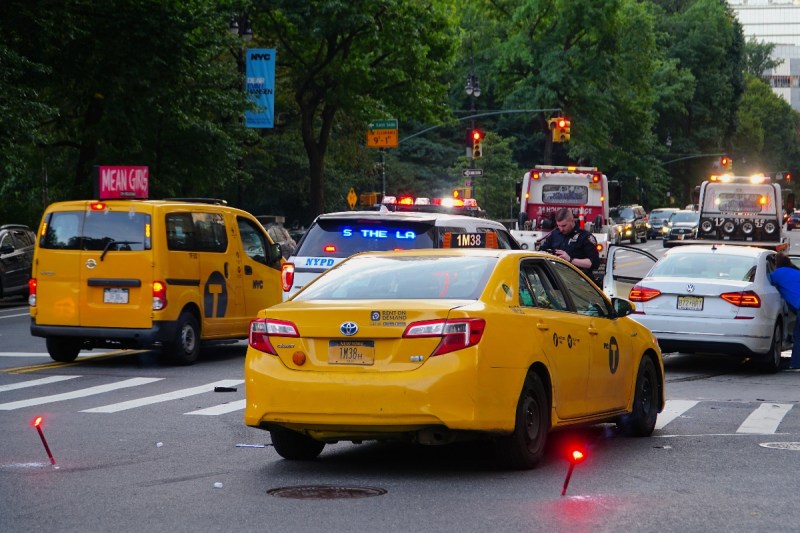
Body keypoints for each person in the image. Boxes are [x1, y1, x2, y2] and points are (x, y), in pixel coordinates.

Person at [537, 208, 600, 278]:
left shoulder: (585, 237)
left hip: (578, 279)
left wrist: (570, 260)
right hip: (557, 278)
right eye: (558, 225)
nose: (561, 229)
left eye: (564, 226)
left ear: (572, 221)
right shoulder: (555, 234)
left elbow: (594, 263)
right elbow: (541, 251)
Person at [770, 252, 800, 370]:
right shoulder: (796, 272)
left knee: (798, 336)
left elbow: (767, 282)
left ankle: (796, 364)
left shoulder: (777, 274)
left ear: (776, 264)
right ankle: (795, 364)